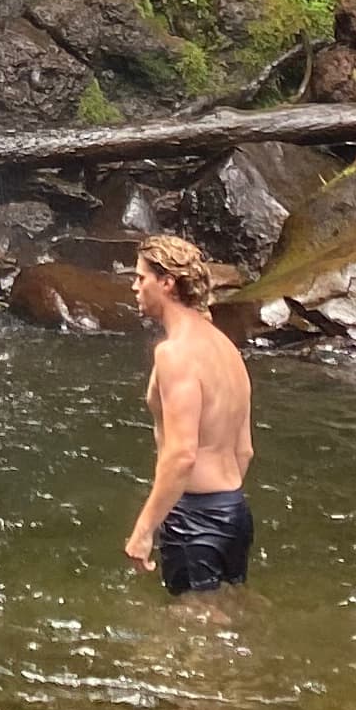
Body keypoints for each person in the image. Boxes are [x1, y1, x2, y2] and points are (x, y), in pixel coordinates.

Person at [125, 231, 255, 593]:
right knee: (226, 617)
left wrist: (144, 529)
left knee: (192, 632)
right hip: (234, 512)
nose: (135, 287)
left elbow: (182, 454)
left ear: (166, 283)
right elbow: (244, 450)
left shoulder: (175, 354)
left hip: (195, 517)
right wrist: (222, 508)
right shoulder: (226, 348)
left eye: (141, 278)